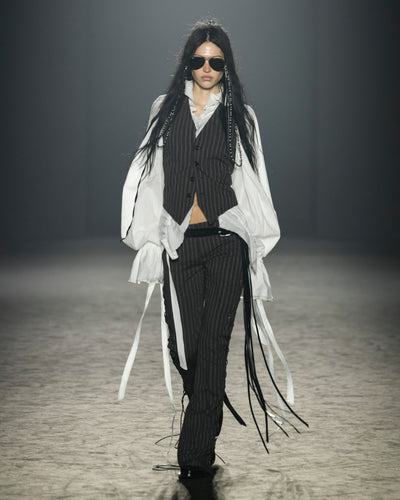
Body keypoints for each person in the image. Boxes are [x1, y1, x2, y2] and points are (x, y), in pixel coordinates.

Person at [118, 19, 308, 484]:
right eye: (199, 60)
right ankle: (206, 411)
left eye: (216, 61)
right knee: (185, 347)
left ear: (226, 67)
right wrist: (148, 238)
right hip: (179, 243)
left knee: (215, 344)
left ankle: (196, 452)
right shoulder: (165, 109)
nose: (207, 68)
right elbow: (150, 177)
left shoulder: (240, 116)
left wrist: (255, 246)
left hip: (226, 243)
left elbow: (254, 180)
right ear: (188, 63)